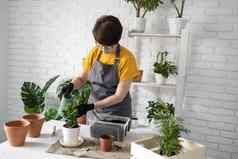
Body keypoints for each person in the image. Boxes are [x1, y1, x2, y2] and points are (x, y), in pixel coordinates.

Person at [60, 15, 139, 118]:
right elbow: (82, 78)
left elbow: (119, 96)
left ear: (117, 41)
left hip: (117, 115)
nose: (103, 49)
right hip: (94, 113)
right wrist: (71, 85)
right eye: (100, 44)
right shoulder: (94, 52)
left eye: (109, 47)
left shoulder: (127, 58)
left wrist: (91, 106)